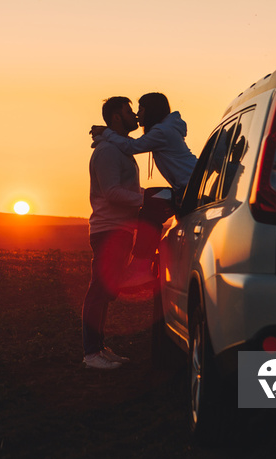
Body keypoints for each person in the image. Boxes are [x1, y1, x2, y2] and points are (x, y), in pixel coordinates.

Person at [91, 93, 197, 287]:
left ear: (151, 110)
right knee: (151, 199)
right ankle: (142, 265)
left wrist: (105, 132)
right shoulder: (164, 129)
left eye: (140, 109)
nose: (138, 114)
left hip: (189, 189)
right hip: (188, 187)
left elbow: (132, 146)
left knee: (151, 202)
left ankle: (140, 266)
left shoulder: (161, 132)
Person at [82, 96, 143, 370]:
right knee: (99, 290)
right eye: (130, 111)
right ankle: (91, 353)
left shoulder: (120, 149)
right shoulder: (108, 152)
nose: (136, 116)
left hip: (119, 228)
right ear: (117, 117)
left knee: (106, 289)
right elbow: (112, 193)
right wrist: (147, 199)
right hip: (108, 229)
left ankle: (98, 348)